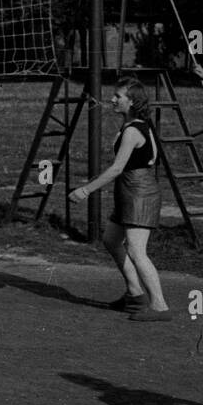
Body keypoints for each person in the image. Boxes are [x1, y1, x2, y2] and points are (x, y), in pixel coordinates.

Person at [69, 76, 171, 321]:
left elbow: (116, 168)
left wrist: (85, 190)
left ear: (132, 101)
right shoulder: (134, 124)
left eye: (118, 96)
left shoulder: (133, 130)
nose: (112, 99)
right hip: (129, 189)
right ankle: (135, 295)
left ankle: (160, 306)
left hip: (139, 192)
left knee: (137, 250)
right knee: (111, 239)